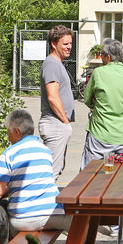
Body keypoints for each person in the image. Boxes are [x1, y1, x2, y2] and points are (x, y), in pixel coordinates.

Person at [0, 109, 70, 232]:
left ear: (16, 131)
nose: (8, 136)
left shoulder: (9, 153)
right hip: (53, 215)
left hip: (23, 219)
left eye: (8, 132)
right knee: (81, 222)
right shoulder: (45, 151)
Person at [81, 39, 123, 167]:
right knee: (119, 177)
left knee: (90, 175)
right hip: (122, 134)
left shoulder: (98, 73)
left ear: (108, 57)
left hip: (100, 133)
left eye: (101, 55)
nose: (100, 57)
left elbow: (87, 99)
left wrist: (96, 106)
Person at [38, 25, 75, 180]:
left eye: (70, 43)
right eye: (65, 44)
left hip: (57, 123)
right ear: (54, 44)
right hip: (55, 123)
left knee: (56, 169)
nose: (69, 47)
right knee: (51, 173)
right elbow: (52, 96)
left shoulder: (57, 63)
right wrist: (65, 122)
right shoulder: (52, 64)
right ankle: (44, 203)